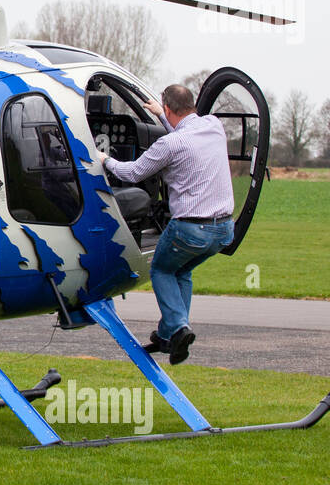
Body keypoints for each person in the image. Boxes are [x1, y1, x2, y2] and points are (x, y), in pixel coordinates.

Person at [96, 84, 234, 365]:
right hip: (223, 230)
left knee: (160, 269)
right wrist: (162, 116)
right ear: (192, 105)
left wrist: (105, 160)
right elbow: (186, 137)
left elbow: (133, 173)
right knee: (181, 271)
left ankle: (179, 328)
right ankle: (169, 335)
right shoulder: (214, 126)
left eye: (165, 111)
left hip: (190, 229)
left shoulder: (169, 145)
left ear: (169, 108)